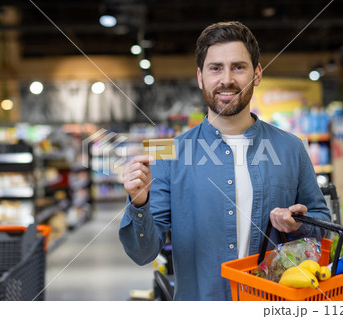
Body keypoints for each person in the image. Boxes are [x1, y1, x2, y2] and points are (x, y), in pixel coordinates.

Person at [119, 21, 331, 301]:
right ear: (200, 77)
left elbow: (325, 227)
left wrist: (300, 224)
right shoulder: (168, 152)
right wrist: (139, 204)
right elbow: (142, 253)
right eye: (215, 68)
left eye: (238, 67)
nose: (227, 79)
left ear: (257, 74)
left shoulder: (291, 148)